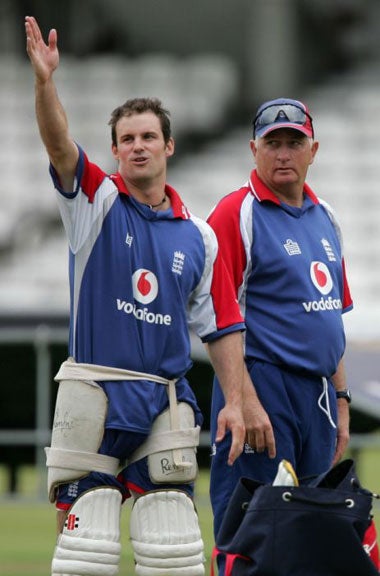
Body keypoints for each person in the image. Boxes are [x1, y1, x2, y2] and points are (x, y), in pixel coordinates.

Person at [25, 15, 247, 576]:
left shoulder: (198, 236)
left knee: (173, 549)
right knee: (86, 554)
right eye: (128, 139)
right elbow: (57, 143)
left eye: (149, 136)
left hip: (163, 400)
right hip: (95, 392)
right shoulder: (94, 203)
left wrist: (239, 401)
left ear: (168, 145)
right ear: (116, 151)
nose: (139, 146)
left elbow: (220, 326)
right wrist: (46, 83)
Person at [207, 97, 353, 558]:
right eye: (274, 143)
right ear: (254, 149)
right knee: (252, 532)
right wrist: (243, 400)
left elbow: (331, 316)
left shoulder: (325, 217)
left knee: (315, 536)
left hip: (319, 397)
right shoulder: (236, 213)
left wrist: (342, 400)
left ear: (314, 150)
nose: (284, 153)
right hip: (263, 385)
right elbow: (214, 317)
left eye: (295, 142)